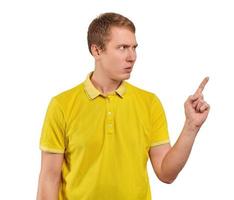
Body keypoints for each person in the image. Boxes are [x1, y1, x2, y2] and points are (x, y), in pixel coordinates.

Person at [36, 12, 210, 200]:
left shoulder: (149, 103)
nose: (132, 56)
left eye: (134, 47)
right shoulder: (62, 105)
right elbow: (49, 179)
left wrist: (191, 126)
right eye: (122, 48)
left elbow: (166, 174)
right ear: (96, 51)